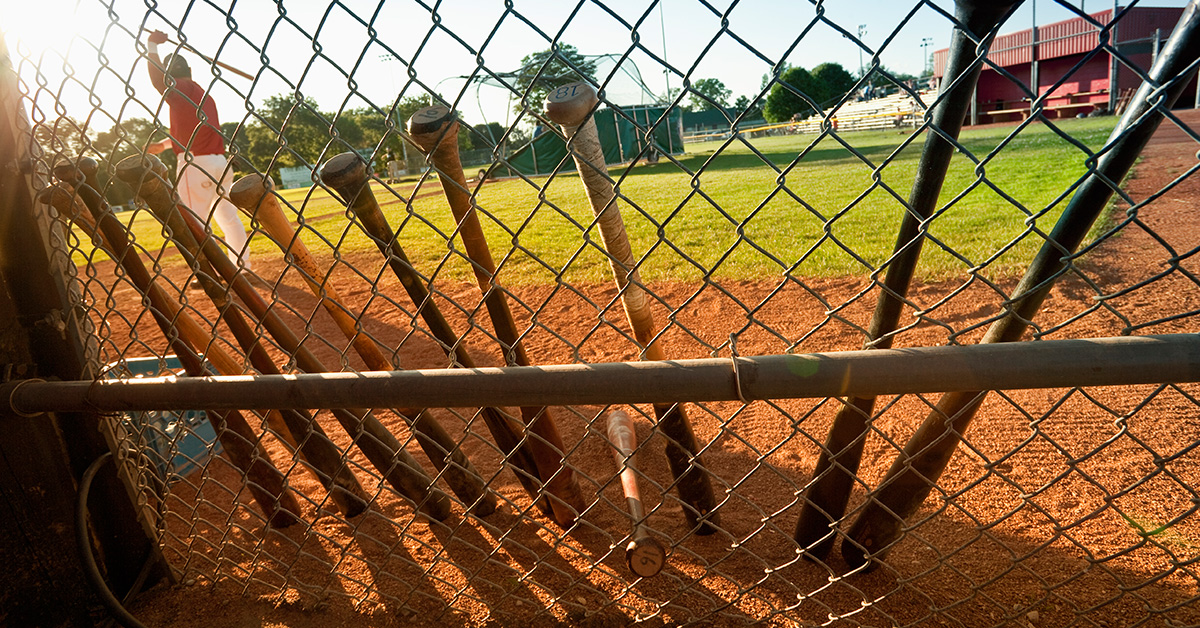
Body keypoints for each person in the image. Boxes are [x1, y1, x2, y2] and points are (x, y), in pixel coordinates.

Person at [144, 30, 252, 273]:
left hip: (195, 167)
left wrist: (152, 46)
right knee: (228, 218)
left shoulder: (178, 89)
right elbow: (193, 133)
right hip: (219, 163)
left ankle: (207, 272)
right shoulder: (201, 94)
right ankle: (242, 267)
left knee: (194, 222)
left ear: (172, 76)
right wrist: (163, 145)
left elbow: (157, 80)